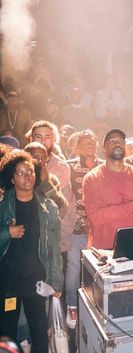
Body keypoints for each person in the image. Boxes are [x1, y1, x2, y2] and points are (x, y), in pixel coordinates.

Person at [0, 150, 63, 353]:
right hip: (8, 280)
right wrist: (6, 232)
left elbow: (54, 247)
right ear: (11, 177)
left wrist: (56, 282)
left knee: (39, 330)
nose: (27, 176)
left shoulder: (48, 207)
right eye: (20, 172)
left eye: (30, 171)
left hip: (37, 281)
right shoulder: (2, 206)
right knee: (7, 331)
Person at [83, 128, 133, 249]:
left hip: (132, 245)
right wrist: (130, 206)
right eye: (112, 141)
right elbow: (96, 217)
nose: (117, 143)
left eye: (121, 141)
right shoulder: (92, 178)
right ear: (103, 148)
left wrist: (109, 212)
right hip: (102, 250)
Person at [66, 129, 103, 329]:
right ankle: (72, 306)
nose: (90, 144)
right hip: (77, 226)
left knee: (99, 267)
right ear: (77, 146)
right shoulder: (69, 167)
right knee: (74, 267)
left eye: (93, 141)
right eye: (86, 142)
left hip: (101, 226)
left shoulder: (105, 166)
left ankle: (97, 305)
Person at [26, 120, 76, 253]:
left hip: (52, 239)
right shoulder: (17, 163)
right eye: (38, 136)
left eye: (47, 137)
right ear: (31, 139)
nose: (43, 141)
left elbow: (65, 208)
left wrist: (59, 242)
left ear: (53, 139)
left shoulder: (61, 167)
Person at [24, 141, 68, 219]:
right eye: (35, 157)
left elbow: (62, 212)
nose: (40, 161)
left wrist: (46, 183)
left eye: (43, 157)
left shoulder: (52, 180)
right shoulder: (19, 179)